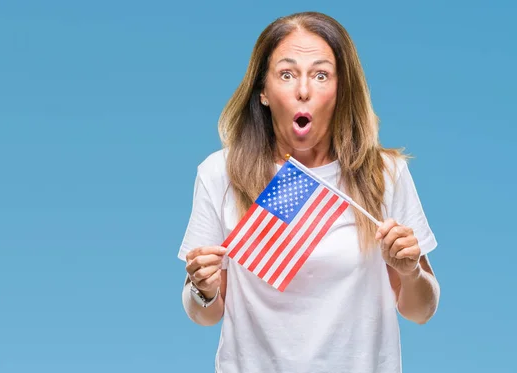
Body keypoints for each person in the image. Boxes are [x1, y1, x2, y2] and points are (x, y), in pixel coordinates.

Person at [177, 11, 440, 373]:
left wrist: (410, 272)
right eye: (287, 74)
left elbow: (421, 311)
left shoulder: (384, 174)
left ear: (340, 90)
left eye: (320, 75)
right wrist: (201, 288)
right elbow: (205, 316)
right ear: (263, 92)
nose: (303, 90)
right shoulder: (220, 174)